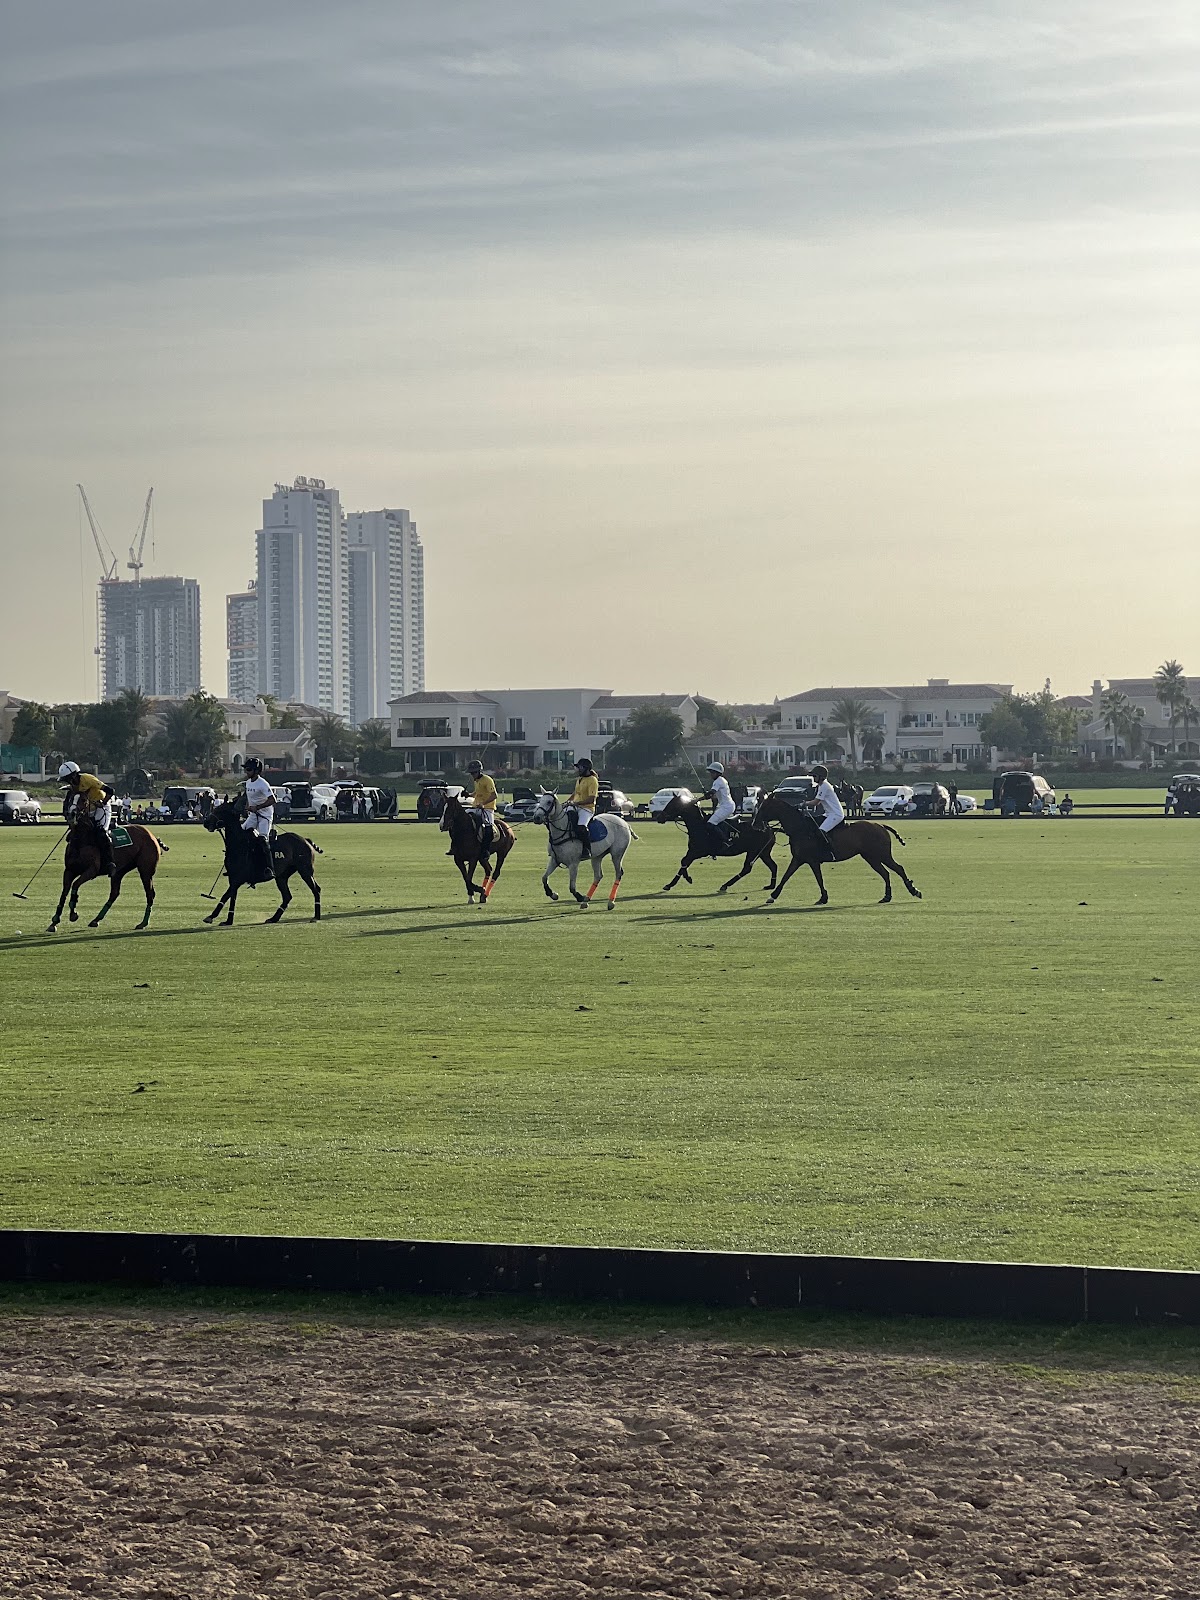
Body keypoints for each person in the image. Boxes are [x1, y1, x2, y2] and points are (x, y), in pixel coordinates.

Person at [58, 761, 117, 879]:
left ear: (75, 775)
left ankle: (110, 863)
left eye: (68, 778)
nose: (68, 782)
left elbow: (110, 791)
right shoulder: (73, 787)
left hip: (102, 807)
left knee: (101, 832)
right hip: (87, 809)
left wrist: (103, 802)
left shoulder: (88, 779)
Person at [241, 755, 275, 877]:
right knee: (241, 833)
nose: (246, 772)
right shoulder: (248, 783)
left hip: (265, 816)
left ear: (256, 771)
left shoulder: (263, 784)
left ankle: (269, 868)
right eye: (246, 769)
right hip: (253, 815)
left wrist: (257, 807)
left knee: (262, 839)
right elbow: (248, 798)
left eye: (249, 769)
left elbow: (273, 800)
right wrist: (247, 807)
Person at [809, 763, 845, 859]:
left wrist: (803, 803)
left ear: (821, 777)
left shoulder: (824, 786)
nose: (813, 778)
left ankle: (831, 853)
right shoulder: (821, 786)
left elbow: (816, 802)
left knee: (821, 832)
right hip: (829, 814)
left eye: (814, 776)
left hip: (835, 815)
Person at [568, 757, 600, 851]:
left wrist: (576, 803)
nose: (578, 769)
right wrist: (566, 803)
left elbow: (591, 799)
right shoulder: (579, 779)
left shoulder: (592, 780)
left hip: (587, 809)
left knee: (581, 827)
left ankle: (587, 849)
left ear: (586, 768)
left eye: (580, 767)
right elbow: (575, 793)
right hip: (576, 806)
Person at [463, 759, 498, 845]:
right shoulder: (476, 781)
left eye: (474, 773)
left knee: (488, 827)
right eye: (471, 773)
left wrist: (483, 804)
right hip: (475, 807)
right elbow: (477, 793)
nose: (472, 775)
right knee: (462, 818)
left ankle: (486, 849)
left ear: (479, 771)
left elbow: (494, 795)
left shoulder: (487, 780)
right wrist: (468, 795)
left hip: (487, 808)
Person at [706, 761, 736, 843]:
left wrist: (697, 800)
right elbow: (714, 797)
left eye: (712, 772)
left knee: (710, 823)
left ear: (717, 773)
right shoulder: (721, 780)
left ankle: (726, 841)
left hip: (726, 807)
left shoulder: (718, 781)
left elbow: (711, 793)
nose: (711, 774)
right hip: (725, 806)